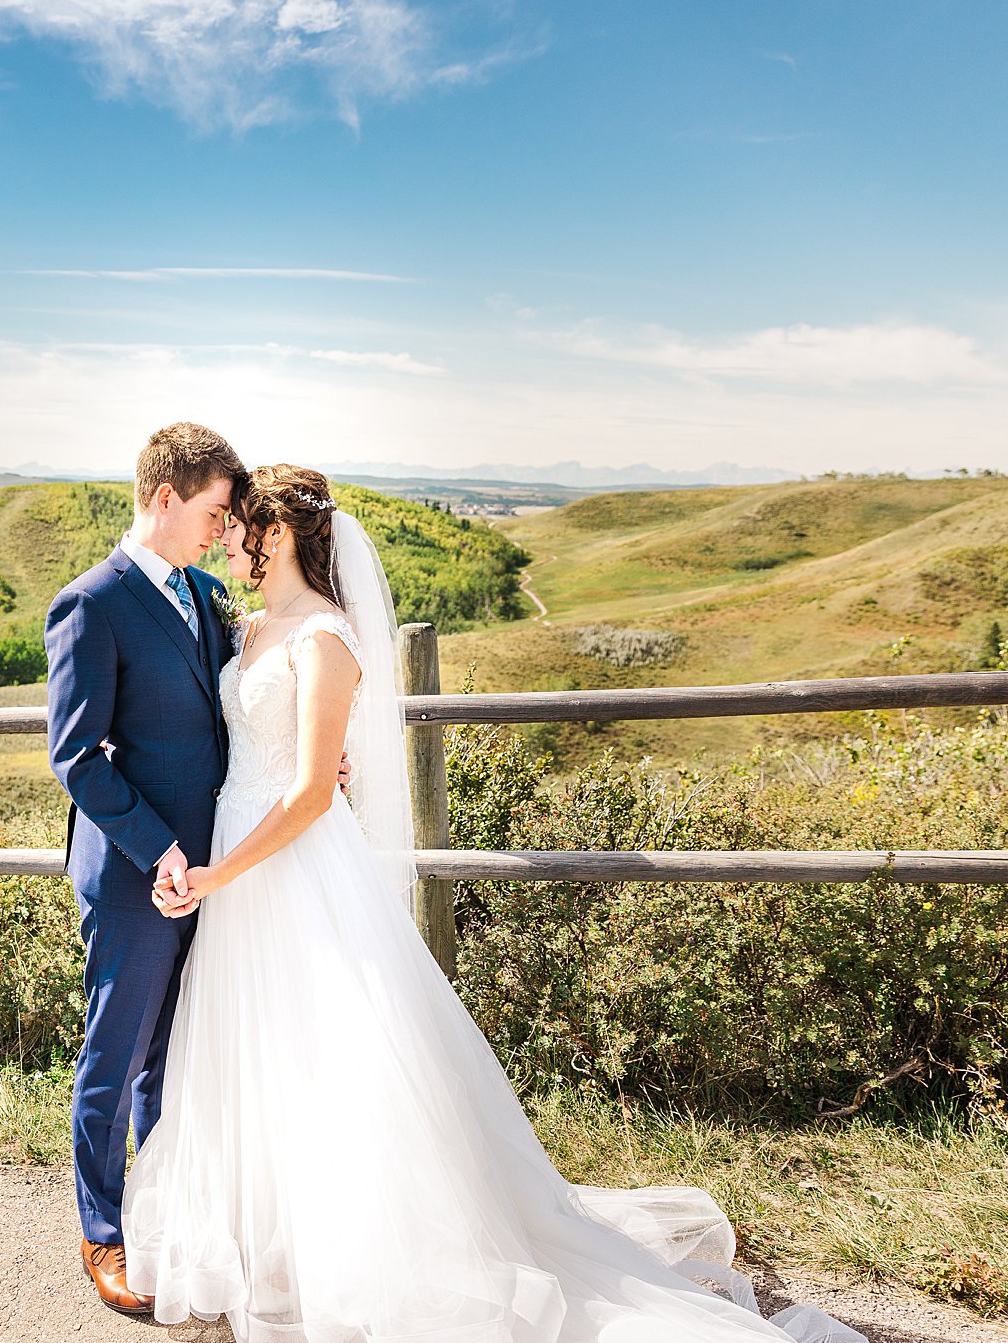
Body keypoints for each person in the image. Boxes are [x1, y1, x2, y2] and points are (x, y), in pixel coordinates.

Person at [120, 463, 865, 1343]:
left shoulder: (325, 637)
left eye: (243, 523)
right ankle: (268, 1234)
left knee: (331, 1054)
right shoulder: (247, 627)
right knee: (262, 1044)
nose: (232, 537)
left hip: (284, 865)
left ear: (278, 534)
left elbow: (315, 790)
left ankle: (359, 1245)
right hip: (240, 865)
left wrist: (216, 873)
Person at [44, 420, 245, 1314]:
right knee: (117, 1053)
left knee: (175, 1057)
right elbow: (78, 755)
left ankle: (161, 1219)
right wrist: (160, 848)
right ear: (165, 497)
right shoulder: (91, 602)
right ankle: (104, 1232)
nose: (220, 528)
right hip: (135, 872)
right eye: (212, 510)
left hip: (211, 873)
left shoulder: (204, 598)